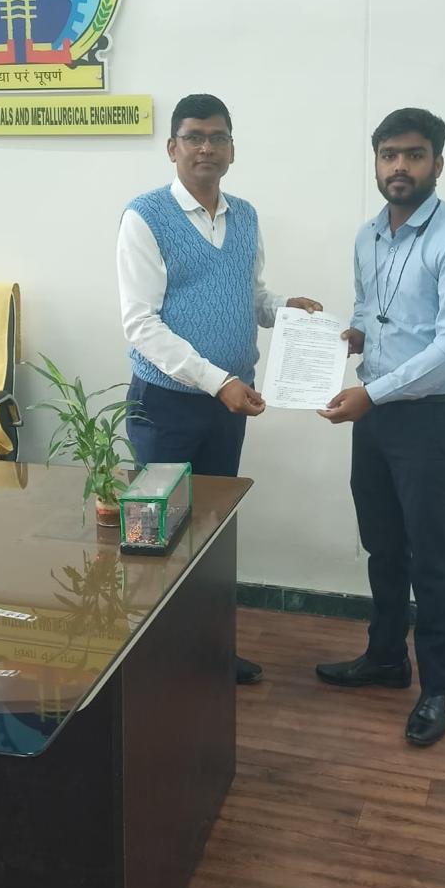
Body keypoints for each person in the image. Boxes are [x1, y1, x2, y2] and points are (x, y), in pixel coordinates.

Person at [117, 92, 321, 684]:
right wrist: (218, 380)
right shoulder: (144, 217)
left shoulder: (246, 216)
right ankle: (152, 664)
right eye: (194, 137)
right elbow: (140, 324)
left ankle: (208, 657)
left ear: (232, 149)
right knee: (155, 534)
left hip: (229, 407)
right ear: (172, 147)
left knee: (210, 534)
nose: (206, 147)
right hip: (164, 405)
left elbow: (248, 296)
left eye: (218, 137)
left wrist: (285, 309)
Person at [316, 107, 445, 746]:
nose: (400, 166)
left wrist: (370, 393)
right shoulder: (368, 236)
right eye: (389, 154)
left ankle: (439, 687)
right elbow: (374, 314)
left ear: (437, 164)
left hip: (430, 421)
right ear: (376, 162)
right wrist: (340, 339)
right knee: (383, 545)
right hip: (376, 417)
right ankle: (387, 657)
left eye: (414, 155)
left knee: (430, 556)